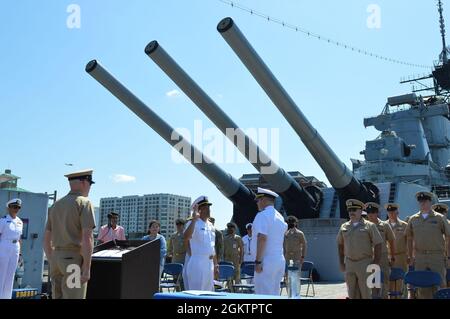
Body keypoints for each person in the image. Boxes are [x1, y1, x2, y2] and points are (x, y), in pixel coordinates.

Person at [43, 169, 96, 299]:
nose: (90, 188)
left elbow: (46, 238)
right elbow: (86, 238)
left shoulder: (56, 205)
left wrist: (52, 258)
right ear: (84, 182)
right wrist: (86, 268)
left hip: (56, 259)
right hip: (73, 260)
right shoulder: (84, 202)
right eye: (90, 184)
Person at [406, 191, 450, 299]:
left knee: (440, 285)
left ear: (430, 202)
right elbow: (409, 237)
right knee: (422, 286)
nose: (422, 204)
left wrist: (447, 255)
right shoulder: (413, 219)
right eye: (421, 202)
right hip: (420, 257)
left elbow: (448, 236)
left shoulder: (439, 218)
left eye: (425, 201)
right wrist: (411, 256)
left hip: (437, 256)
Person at [337, 199, 383, 299]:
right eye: (349, 210)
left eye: (354, 209)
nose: (351, 212)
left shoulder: (370, 226)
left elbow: (378, 244)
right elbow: (340, 245)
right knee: (352, 293)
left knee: (366, 293)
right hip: (349, 263)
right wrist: (341, 263)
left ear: (360, 211)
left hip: (365, 263)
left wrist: (375, 263)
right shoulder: (344, 227)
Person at [252, 187, 287, 295]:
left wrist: (258, 261)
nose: (257, 203)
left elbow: (262, 238)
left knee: (263, 295)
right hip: (278, 261)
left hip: (266, 262)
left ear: (263, 200)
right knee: (274, 294)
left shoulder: (262, 216)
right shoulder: (280, 217)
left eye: (258, 200)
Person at [184, 195, 218, 291]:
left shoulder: (210, 225)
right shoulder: (192, 223)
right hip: (198, 262)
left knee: (208, 293)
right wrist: (194, 220)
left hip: (209, 263)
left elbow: (212, 246)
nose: (208, 210)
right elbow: (186, 237)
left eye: (208, 207)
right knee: (197, 293)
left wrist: (216, 264)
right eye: (205, 208)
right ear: (198, 210)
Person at [365, 202, 396, 299]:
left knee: (384, 281)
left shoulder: (385, 225)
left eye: (373, 212)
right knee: (372, 282)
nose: (371, 214)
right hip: (369, 257)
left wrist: (392, 257)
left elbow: (391, 241)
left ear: (377, 213)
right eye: (369, 212)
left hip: (382, 257)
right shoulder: (363, 226)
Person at [0, 199, 23, 299]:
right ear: (8, 207)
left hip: (15, 248)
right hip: (4, 246)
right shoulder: (3, 220)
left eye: (18, 207)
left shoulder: (20, 222)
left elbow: (19, 238)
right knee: (2, 274)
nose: (16, 209)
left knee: (11, 276)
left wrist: (20, 254)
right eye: (14, 207)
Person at [385, 203, 408, 296]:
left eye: (393, 212)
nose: (391, 214)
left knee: (402, 280)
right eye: (389, 212)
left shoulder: (404, 225)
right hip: (388, 257)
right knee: (389, 280)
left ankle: (404, 297)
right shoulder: (383, 225)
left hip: (401, 256)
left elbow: (409, 241)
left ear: (397, 212)